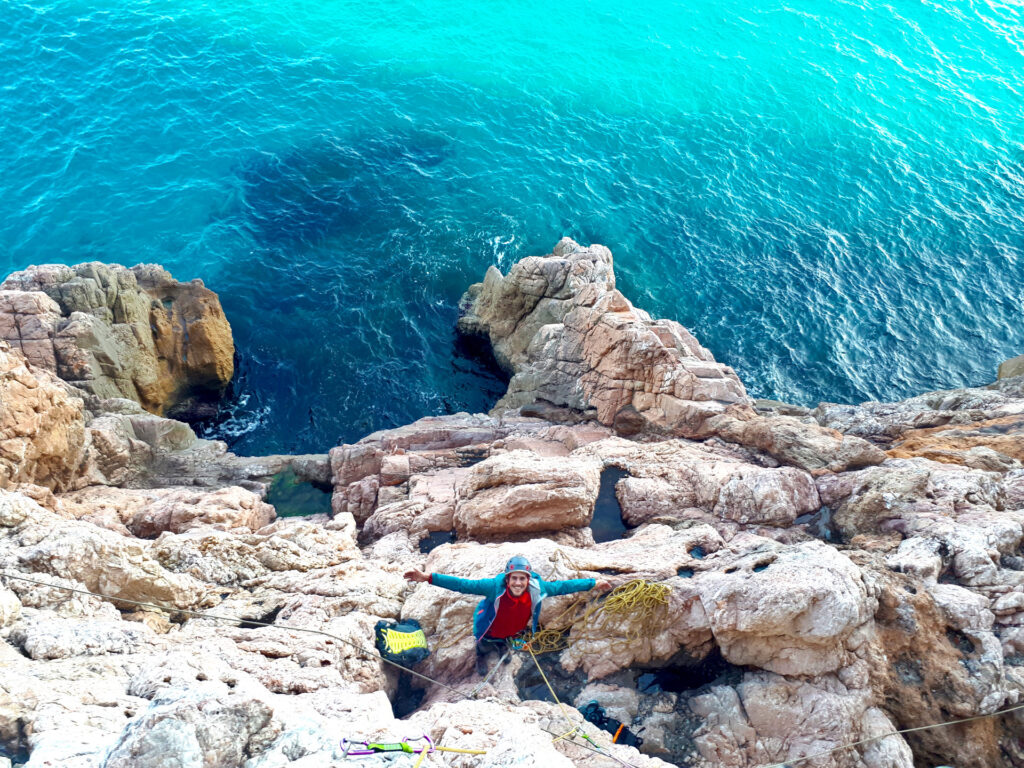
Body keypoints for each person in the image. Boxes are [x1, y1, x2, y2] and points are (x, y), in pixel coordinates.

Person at [404, 555, 611, 675]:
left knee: (504, 640)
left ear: (528, 579)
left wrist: (593, 583)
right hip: (488, 627)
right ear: (507, 578)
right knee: (484, 644)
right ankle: (481, 655)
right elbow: (462, 584)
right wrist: (427, 577)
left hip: (512, 628)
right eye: (514, 578)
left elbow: (565, 586)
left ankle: (503, 645)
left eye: (522, 578)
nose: (518, 583)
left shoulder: (538, 589)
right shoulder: (494, 587)